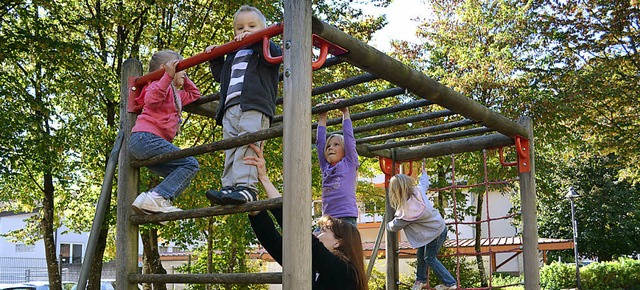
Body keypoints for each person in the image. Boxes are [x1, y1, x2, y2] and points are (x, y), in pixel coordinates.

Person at [243, 143, 369, 290]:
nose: (316, 233)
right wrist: (254, 204)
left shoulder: (345, 272)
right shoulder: (314, 265)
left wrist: (265, 179)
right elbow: (273, 241)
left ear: (338, 242)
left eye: (323, 231)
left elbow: (300, 236)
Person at [204, 5, 282, 205]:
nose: (245, 30)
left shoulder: (267, 49)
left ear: (263, 29)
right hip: (230, 107)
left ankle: (247, 187)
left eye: (252, 26)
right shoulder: (233, 54)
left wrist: (257, 38)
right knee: (231, 148)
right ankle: (229, 186)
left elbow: (273, 55)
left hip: (254, 106)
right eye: (240, 28)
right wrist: (215, 56)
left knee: (248, 144)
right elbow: (220, 77)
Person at [130, 50, 201, 215]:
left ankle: (149, 199)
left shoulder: (177, 96)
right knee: (190, 163)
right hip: (145, 138)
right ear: (165, 69)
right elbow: (152, 99)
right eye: (181, 68)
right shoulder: (155, 85)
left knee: (178, 173)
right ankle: (158, 197)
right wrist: (167, 76)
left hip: (149, 144)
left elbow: (194, 94)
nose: (185, 72)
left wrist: (184, 76)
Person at [386, 169, 457, 290]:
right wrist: (424, 174)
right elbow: (424, 183)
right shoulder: (418, 191)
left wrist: (387, 225)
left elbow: (395, 226)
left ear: (395, 192)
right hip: (436, 229)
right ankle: (421, 280)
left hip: (435, 234)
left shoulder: (406, 213)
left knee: (429, 258)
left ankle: (450, 283)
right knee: (421, 254)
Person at [316, 102, 359, 226]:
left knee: (347, 245)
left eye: (336, 145)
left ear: (345, 150)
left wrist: (345, 112)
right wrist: (322, 117)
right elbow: (320, 143)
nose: (330, 148)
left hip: (346, 216)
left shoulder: (349, 162)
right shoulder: (326, 167)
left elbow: (349, 138)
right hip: (328, 218)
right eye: (328, 146)